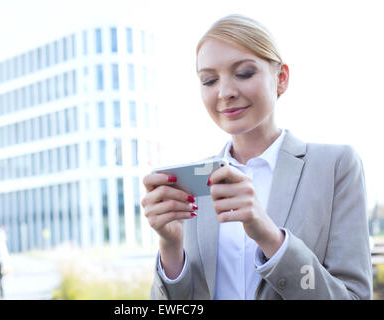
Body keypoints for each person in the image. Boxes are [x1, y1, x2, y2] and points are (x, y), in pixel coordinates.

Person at [142, 14, 372, 300]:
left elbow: (355, 297)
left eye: (244, 73)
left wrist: (269, 237)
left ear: (281, 78)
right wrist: (170, 247)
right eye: (209, 80)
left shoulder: (335, 166)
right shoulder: (192, 184)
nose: (225, 92)